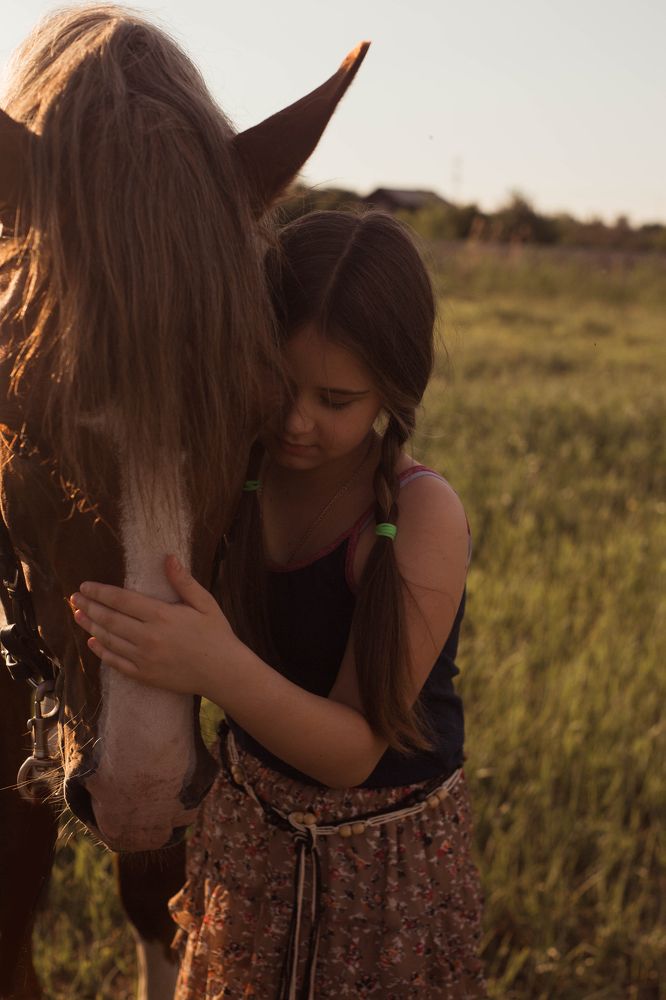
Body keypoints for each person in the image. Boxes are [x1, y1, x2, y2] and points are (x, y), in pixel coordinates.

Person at [70, 210, 486, 999]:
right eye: (279, 382)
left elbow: (353, 753)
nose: (297, 420)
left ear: (393, 392)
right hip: (251, 844)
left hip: (379, 870)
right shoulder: (236, 471)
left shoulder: (418, 516)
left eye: (336, 399)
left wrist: (213, 665)